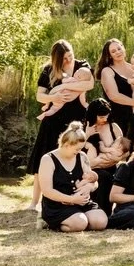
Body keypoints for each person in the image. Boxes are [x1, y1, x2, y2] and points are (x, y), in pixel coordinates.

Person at [28, 39, 96, 208]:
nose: (68, 60)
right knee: (43, 159)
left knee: (75, 157)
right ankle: (34, 201)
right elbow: (39, 96)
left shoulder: (82, 66)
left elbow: (90, 83)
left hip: (76, 118)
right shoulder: (49, 70)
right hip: (53, 120)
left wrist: (71, 86)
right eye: (64, 58)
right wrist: (54, 97)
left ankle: (73, 195)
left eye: (70, 55)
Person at [37, 122, 109, 232]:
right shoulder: (48, 159)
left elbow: (93, 180)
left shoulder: (82, 157)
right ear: (66, 145)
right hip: (58, 204)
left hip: (81, 201)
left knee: (100, 222)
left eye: (81, 148)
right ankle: (51, 223)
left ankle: (81, 219)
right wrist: (72, 199)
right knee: (79, 224)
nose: (79, 151)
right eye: (76, 149)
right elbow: (47, 190)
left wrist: (89, 187)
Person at [95, 38, 134, 139]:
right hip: (118, 118)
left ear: (123, 48)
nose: (117, 52)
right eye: (113, 51)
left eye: (119, 48)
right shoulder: (107, 71)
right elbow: (114, 96)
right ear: (109, 55)